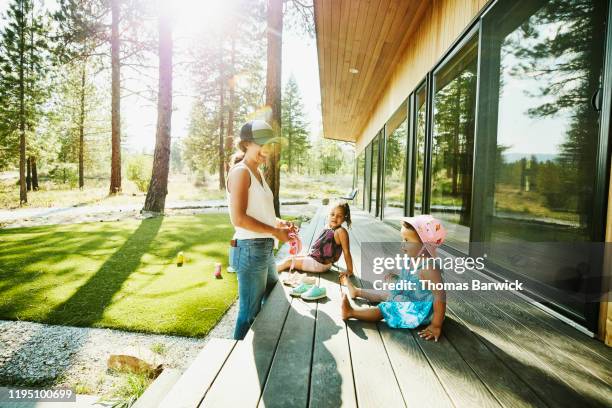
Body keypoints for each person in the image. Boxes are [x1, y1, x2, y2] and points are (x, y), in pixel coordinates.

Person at [227, 120, 295, 340]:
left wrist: (279, 223)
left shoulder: (258, 173)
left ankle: (263, 348)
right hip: (249, 248)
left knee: (274, 294)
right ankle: (233, 362)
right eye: (262, 144)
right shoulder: (241, 172)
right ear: (246, 144)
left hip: (262, 248)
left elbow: (260, 213)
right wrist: (275, 232)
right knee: (248, 314)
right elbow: (238, 219)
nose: (267, 150)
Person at [340, 214, 447, 342]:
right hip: (410, 295)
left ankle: (351, 312)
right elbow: (410, 279)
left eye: (407, 240)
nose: (402, 244)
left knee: (387, 308)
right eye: (403, 239)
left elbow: (440, 296)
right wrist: (397, 278)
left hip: (420, 310)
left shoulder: (429, 269)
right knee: (387, 293)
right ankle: (357, 291)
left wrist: (436, 325)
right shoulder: (412, 258)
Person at [276, 202, 354, 276]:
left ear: (344, 218)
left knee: (288, 262)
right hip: (316, 260)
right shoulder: (328, 226)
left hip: (320, 264)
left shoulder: (341, 232)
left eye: (339, 216)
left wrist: (349, 270)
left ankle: (272, 273)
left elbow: (346, 252)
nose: (335, 217)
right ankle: (274, 269)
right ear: (328, 215)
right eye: (332, 214)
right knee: (290, 257)